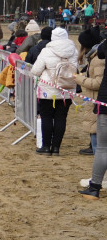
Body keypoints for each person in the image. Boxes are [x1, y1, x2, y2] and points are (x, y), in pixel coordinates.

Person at [31, 27, 78, 156]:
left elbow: (36, 70)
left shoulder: (47, 51)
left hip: (48, 90)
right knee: (61, 118)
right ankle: (56, 147)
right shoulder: (74, 51)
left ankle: (46, 146)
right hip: (66, 89)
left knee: (46, 117)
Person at [75, 29, 103, 155]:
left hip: (97, 100)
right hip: (94, 100)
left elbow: (98, 83)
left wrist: (79, 79)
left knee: (97, 139)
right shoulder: (94, 57)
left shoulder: (98, 60)